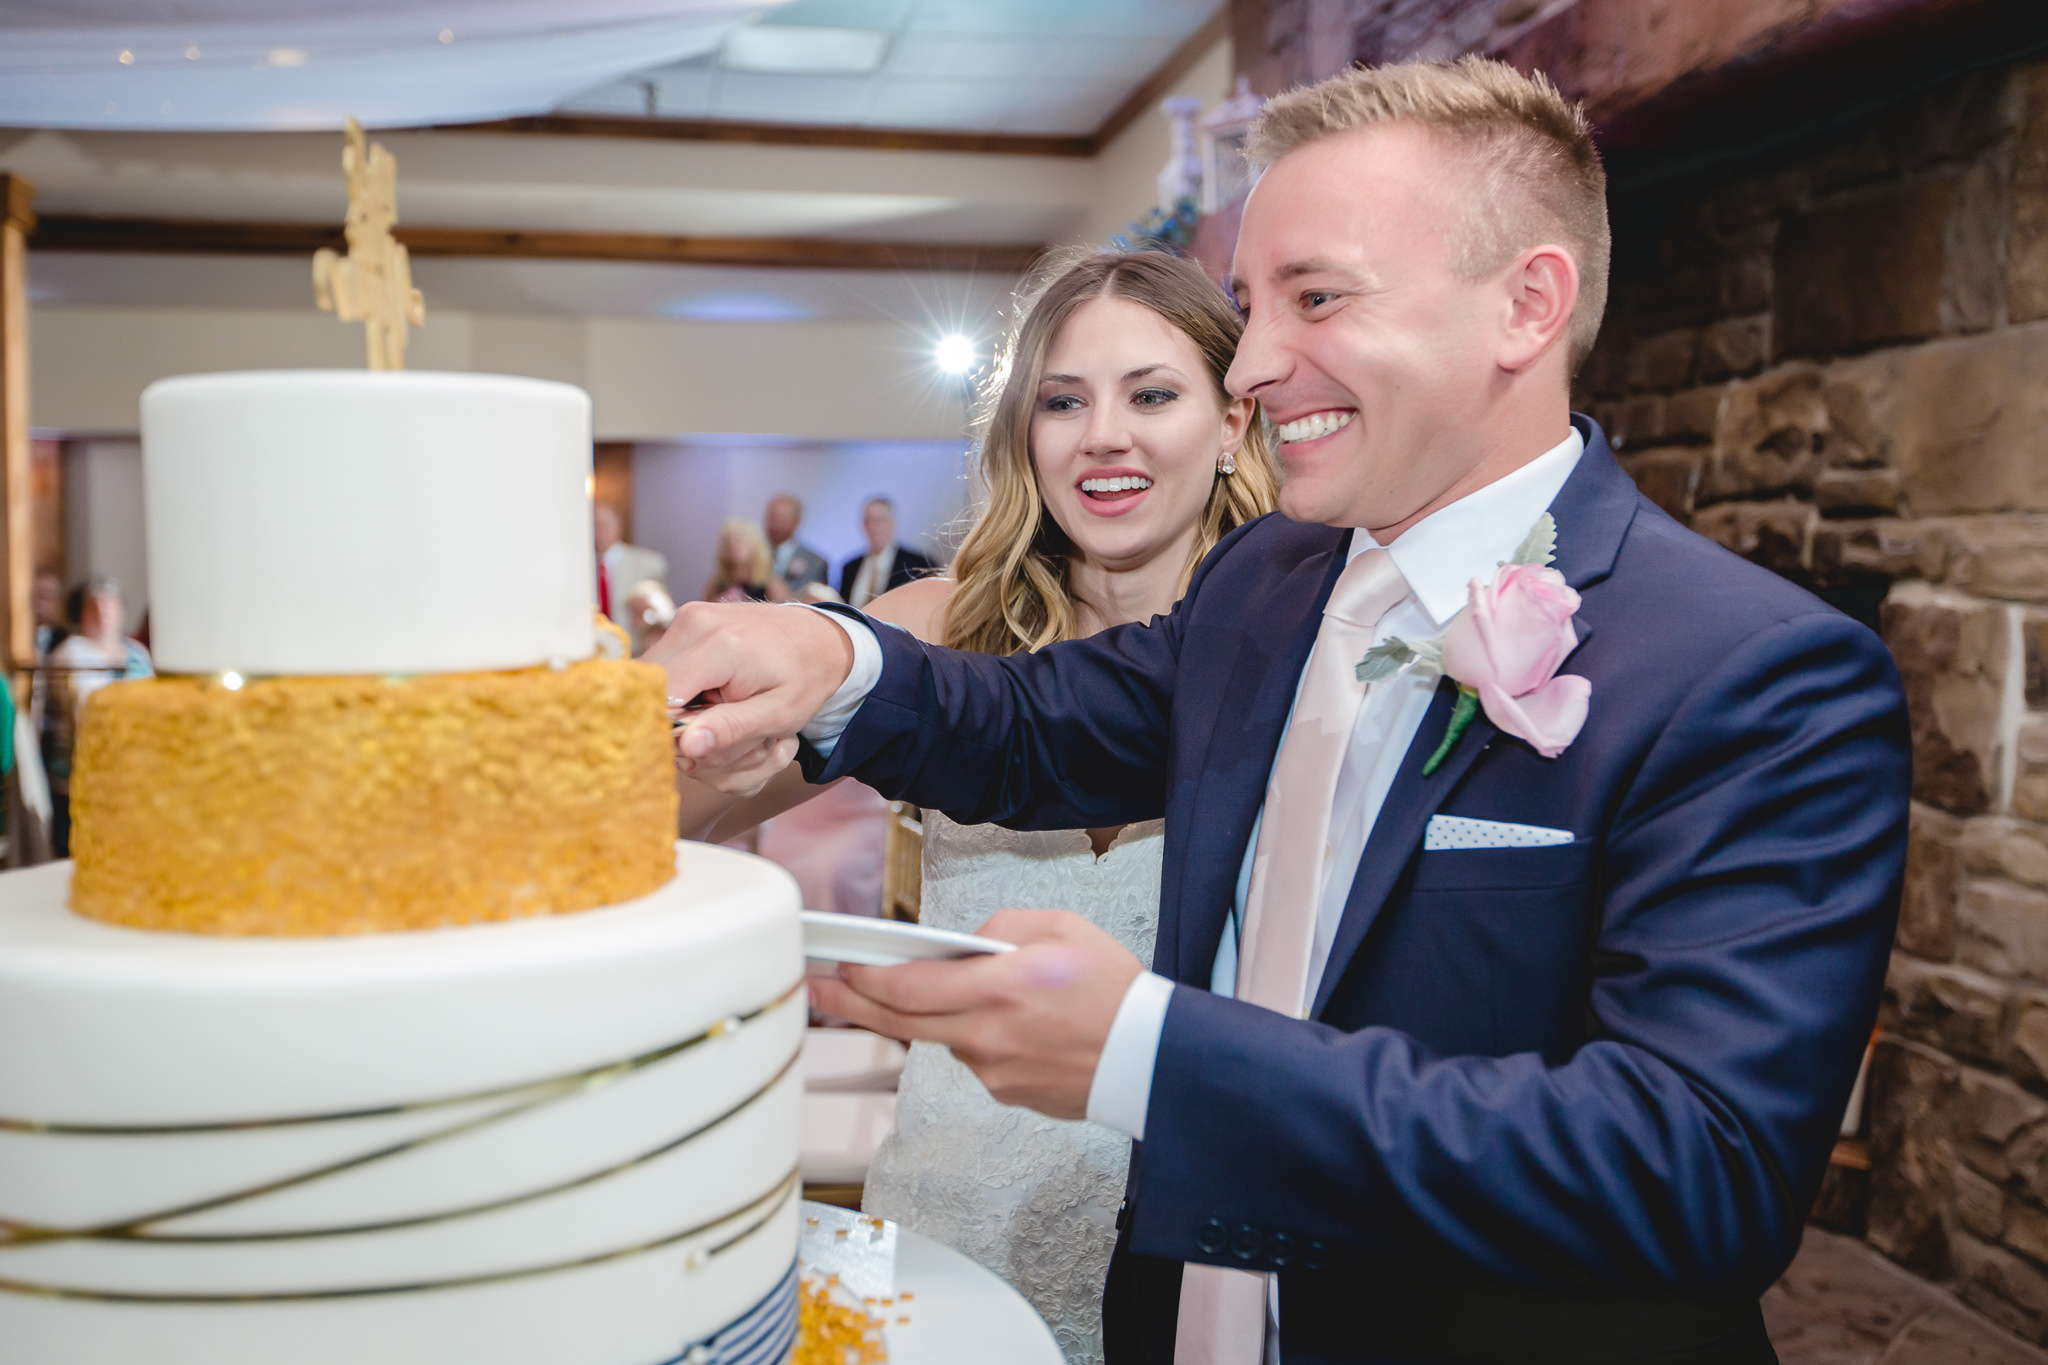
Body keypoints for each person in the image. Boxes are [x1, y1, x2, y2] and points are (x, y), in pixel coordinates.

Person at [653, 57, 1912, 1365]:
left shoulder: (1763, 675)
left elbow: (1688, 1170)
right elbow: (1036, 723)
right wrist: (829, 655)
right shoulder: (1268, 583)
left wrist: (1148, 1051)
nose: (1252, 364)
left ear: (1527, 305)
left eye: (1316, 298)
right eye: (1253, 306)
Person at [657, 248, 1279, 1364]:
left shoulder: (1301, 652)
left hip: (1204, 1246)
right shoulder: (933, 627)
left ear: (1233, 423)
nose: (1103, 435)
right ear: (1021, 435)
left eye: (1150, 395)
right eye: (1061, 401)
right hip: (950, 1215)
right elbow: (682, 808)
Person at [46, 575, 153, 856]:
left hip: (137, 769)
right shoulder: (72, 653)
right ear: (80, 613)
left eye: (110, 605)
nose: (103, 613)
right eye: (94, 606)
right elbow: (88, 710)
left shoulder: (137, 653)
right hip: (86, 773)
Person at [837, 497, 935, 608]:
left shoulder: (918, 564)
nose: (873, 526)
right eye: (868, 520)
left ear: (892, 523)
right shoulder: (850, 568)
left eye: (879, 520)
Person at [594, 502, 667, 631]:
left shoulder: (649, 564)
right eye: (594, 526)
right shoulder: (576, 569)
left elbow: (661, 615)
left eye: (603, 525)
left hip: (635, 645)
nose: (598, 532)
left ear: (618, 527)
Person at [702, 519, 789, 604]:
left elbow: (785, 612)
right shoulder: (716, 584)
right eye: (729, 541)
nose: (734, 545)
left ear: (755, 545)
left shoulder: (771, 583)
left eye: (739, 540)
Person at [765, 494, 830, 594]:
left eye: (782, 519)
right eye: (772, 518)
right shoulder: (751, 556)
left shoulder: (816, 563)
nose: (775, 525)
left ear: (796, 522)